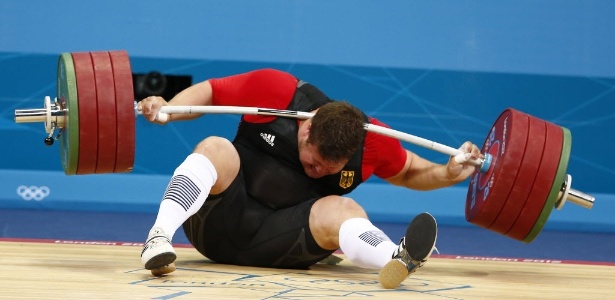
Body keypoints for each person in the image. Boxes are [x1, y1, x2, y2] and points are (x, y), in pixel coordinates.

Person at [137, 68, 482, 289]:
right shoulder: (275, 91)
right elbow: (212, 91)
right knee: (216, 147)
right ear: (306, 129)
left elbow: (409, 171)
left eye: (327, 169)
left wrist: (449, 171)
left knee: (344, 207)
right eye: (313, 161)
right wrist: (169, 109)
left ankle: (397, 258)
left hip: (284, 243)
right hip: (215, 225)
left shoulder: (373, 139)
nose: (316, 171)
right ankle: (158, 237)